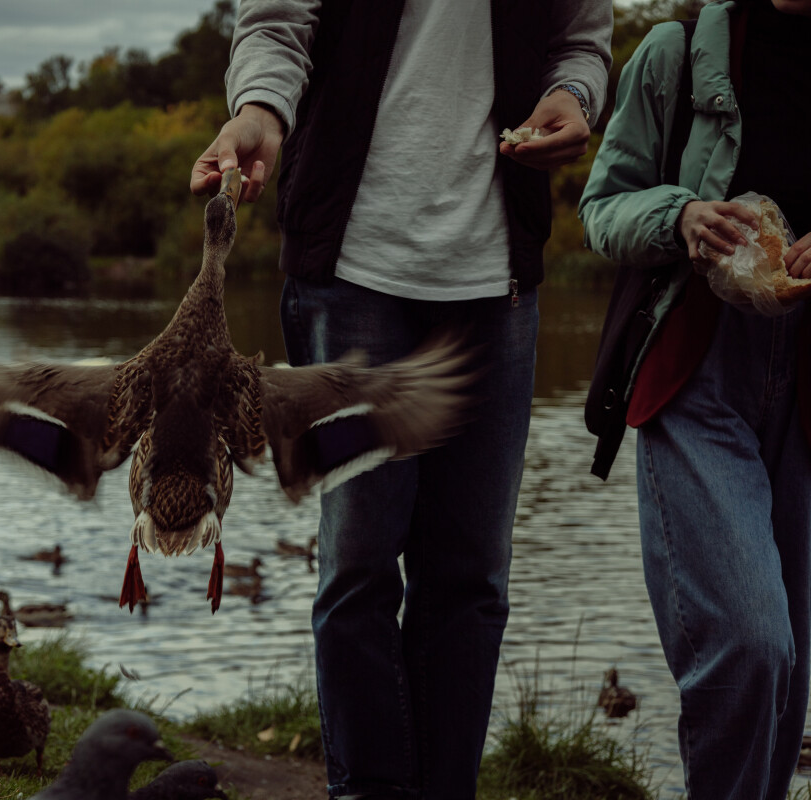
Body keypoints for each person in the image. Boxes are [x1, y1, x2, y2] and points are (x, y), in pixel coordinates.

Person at [191, 2, 611, 797]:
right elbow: (278, 21)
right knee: (359, 568)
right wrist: (259, 107)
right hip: (351, 273)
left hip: (498, 283)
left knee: (472, 579)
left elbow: (580, 39)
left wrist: (574, 93)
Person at [578, 1, 811, 797]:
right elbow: (601, 207)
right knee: (752, 644)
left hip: (807, 392)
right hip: (695, 371)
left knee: (790, 672)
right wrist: (678, 214)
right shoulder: (674, 54)